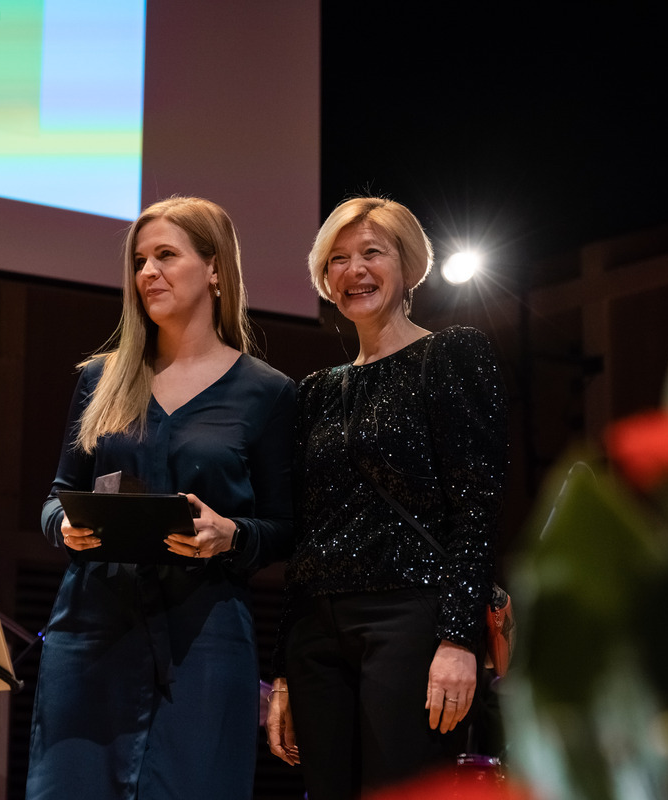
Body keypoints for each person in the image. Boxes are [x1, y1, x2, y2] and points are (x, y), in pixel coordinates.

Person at [26, 196, 297, 800]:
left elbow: (284, 525)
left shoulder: (268, 393)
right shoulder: (101, 378)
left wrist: (233, 535)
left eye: (166, 256)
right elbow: (57, 495)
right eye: (139, 260)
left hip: (205, 635)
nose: (147, 272)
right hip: (93, 628)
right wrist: (61, 526)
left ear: (215, 268)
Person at [266, 197, 509, 798]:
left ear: (408, 265)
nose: (354, 270)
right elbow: (306, 532)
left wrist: (458, 639)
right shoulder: (316, 390)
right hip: (316, 632)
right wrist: (284, 671)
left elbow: (477, 506)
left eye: (372, 253)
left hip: (411, 620)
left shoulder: (451, 352)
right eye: (338, 259)